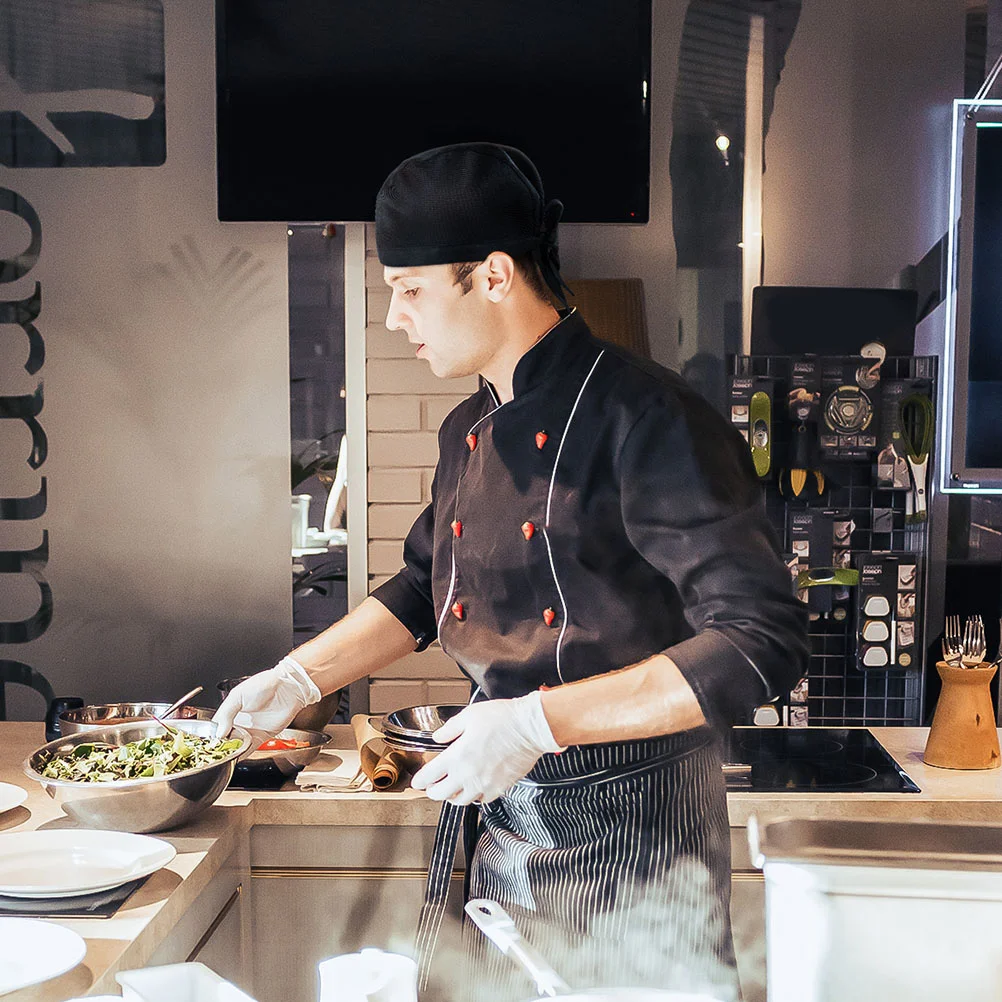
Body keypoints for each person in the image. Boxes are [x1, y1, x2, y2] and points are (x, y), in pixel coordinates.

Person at [214, 142, 808, 1002]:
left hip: (635, 844)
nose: (394, 319)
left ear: (493, 275)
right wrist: (298, 676)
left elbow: (760, 642)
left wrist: (534, 723)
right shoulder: (471, 423)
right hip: (505, 825)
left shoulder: (647, 417)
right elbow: (425, 586)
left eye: (409, 290)